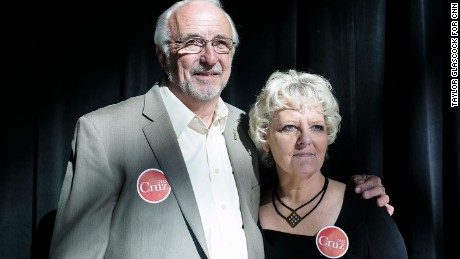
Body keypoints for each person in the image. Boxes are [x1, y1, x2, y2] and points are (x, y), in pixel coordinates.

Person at [49, 1, 392, 258]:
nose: (210, 58)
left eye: (221, 44)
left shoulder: (248, 130)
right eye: (193, 42)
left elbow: (296, 178)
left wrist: (361, 196)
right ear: (162, 54)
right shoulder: (106, 132)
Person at [248, 69, 408, 258]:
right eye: (290, 127)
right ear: (265, 137)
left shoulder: (365, 210)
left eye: (317, 127)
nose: (305, 139)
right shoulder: (248, 208)